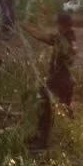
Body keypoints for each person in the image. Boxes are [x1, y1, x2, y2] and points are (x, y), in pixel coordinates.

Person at [27, 11, 76, 149]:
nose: (57, 27)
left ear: (62, 25)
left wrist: (26, 27)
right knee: (61, 109)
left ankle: (42, 140)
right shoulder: (70, 37)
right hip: (64, 80)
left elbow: (43, 37)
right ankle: (71, 137)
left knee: (46, 109)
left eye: (59, 25)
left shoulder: (63, 39)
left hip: (60, 80)